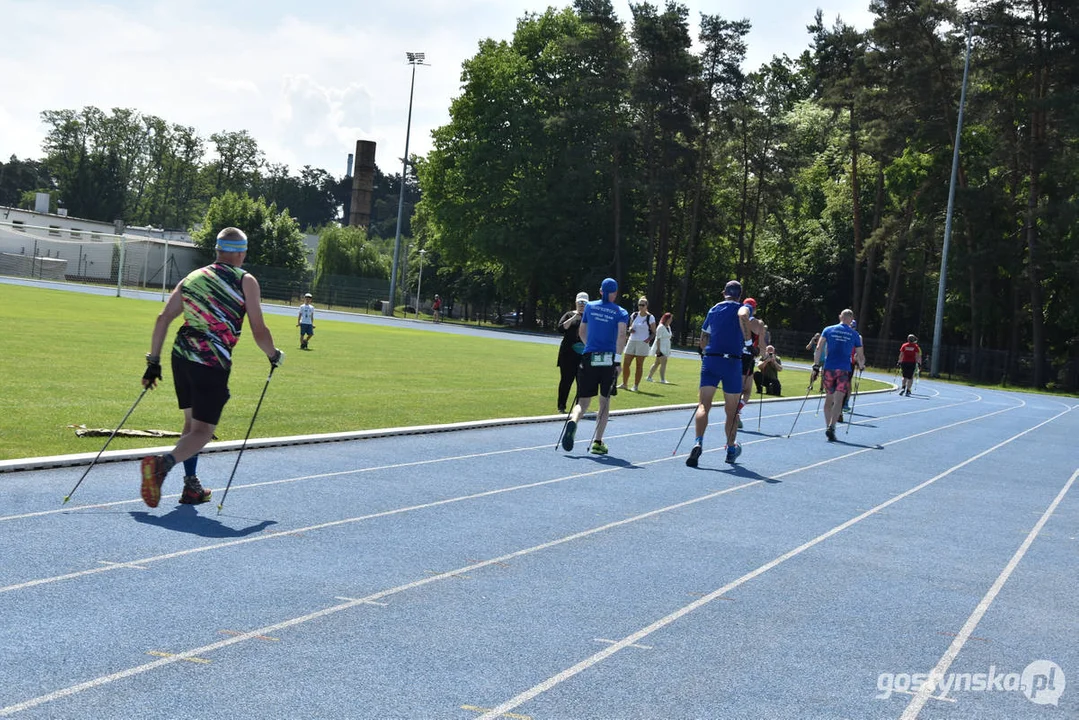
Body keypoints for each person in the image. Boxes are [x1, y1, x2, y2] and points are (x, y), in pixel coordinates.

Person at [138, 227, 284, 508]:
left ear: (217, 250)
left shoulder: (193, 277)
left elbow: (163, 318)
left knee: (191, 425)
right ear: (241, 252)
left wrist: (152, 363)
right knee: (203, 431)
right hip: (211, 360)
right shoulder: (246, 281)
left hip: (181, 356)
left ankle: (191, 487)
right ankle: (161, 465)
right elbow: (259, 329)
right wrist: (273, 354)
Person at [687, 280, 754, 467]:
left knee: (703, 405)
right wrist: (749, 344)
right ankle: (731, 448)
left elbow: (703, 339)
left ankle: (698, 442)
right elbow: (744, 317)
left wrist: (704, 353)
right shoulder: (743, 307)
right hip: (732, 361)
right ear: (740, 294)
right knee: (731, 411)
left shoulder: (713, 309)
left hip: (711, 359)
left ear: (724, 292)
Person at [562, 278, 628, 456]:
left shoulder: (590, 307)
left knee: (583, 402)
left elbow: (581, 332)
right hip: (608, 360)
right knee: (604, 402)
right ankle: (598, 442)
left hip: (589, 356)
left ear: (600, 291)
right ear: (614, 293)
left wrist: (589, 346)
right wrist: (617, 360)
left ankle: (574, 420)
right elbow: (622, 334)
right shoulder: (621, 312)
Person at [812, 309, 865, 442]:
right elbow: (860, 355)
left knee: (828, 399)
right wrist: (861, 365)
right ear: (851, 319)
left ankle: (827, 425)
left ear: (840, 317)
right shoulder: (854, 334)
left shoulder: (828, 329)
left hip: (829, 367)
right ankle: (832, 426)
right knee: (839, 400)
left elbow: (819, 347)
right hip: (844, 369)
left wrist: (816, 365)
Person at [556, 291, 589, 413]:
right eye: (580, 302)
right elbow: (560, 328)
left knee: (582, 382)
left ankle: (579, 407)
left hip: (583, 354)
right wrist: (575, 317)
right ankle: (561, 406)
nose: (582, 305)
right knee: (566, 380)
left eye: (584, 303)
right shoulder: (569, 315)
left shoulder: (590, 317)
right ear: (576, 303)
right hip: (567, 354)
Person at [737, 297, 766, 428]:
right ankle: (736, 412)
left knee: (736, 388)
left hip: (734, 355)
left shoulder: (736, 319)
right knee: (747, 391)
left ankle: (734, 412)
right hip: (748, 358)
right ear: (754, 308)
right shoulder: (759, 324)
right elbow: (761, 347)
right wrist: (763, 354)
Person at [620, 297, 656, 392]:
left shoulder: (650, 317)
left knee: (639, 365)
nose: (640, 307)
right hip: (632, 341)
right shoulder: (634, 315)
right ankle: (624, 384)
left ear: (646, 306)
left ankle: (635, 386)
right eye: (639, 305)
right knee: (626, 363)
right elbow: (630, 326)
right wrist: (630, 329)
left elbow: (653, 332)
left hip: (642, 343)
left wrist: (648, 339)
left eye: (642, 305)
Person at [646, 312, 673, 383]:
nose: (671, 320)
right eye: (670, 319)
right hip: (660, 348)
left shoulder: (668, 327)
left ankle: (649, 377)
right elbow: (658, 339)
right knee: (664, 362)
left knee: (657, 363)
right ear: (666, 319)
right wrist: (658, 349)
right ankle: (662, 379)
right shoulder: (660, 327)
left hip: (666, 347)